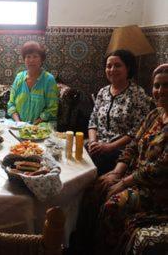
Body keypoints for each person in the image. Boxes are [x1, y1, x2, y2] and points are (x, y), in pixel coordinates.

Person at [72, 63, 168, 255]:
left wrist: (123, 183)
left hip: (157, 188)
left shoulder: (139, 97)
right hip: (133, 175)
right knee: (94, 189)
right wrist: (116, 172)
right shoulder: (155, 114)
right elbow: (133, 145)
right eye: (157, 86)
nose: (160, 91)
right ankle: (79, 245)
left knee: (112, 204)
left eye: (166, 85)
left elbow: (160, 168)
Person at [88, 49, 151, 175]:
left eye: (117, 65)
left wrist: (110, 147)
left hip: (120, 151)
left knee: (90, 171)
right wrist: (92, 142)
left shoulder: (138, 94)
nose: (112, 70)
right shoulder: (103, 92)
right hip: (98, 146)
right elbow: (93, 121)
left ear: (128, 68)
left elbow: (138, 131)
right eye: (108, 66)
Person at [7, 41, 58, 125]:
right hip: (18, 124)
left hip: (41, 126)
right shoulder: (19, 77)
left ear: (41, 59)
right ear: (24, 59)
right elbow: (11, 104)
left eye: (35, 56)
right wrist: (19, 122)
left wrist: (33, 125)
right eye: (28, 56)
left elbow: (52, 109)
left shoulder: (49, 79)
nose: (31, 60)